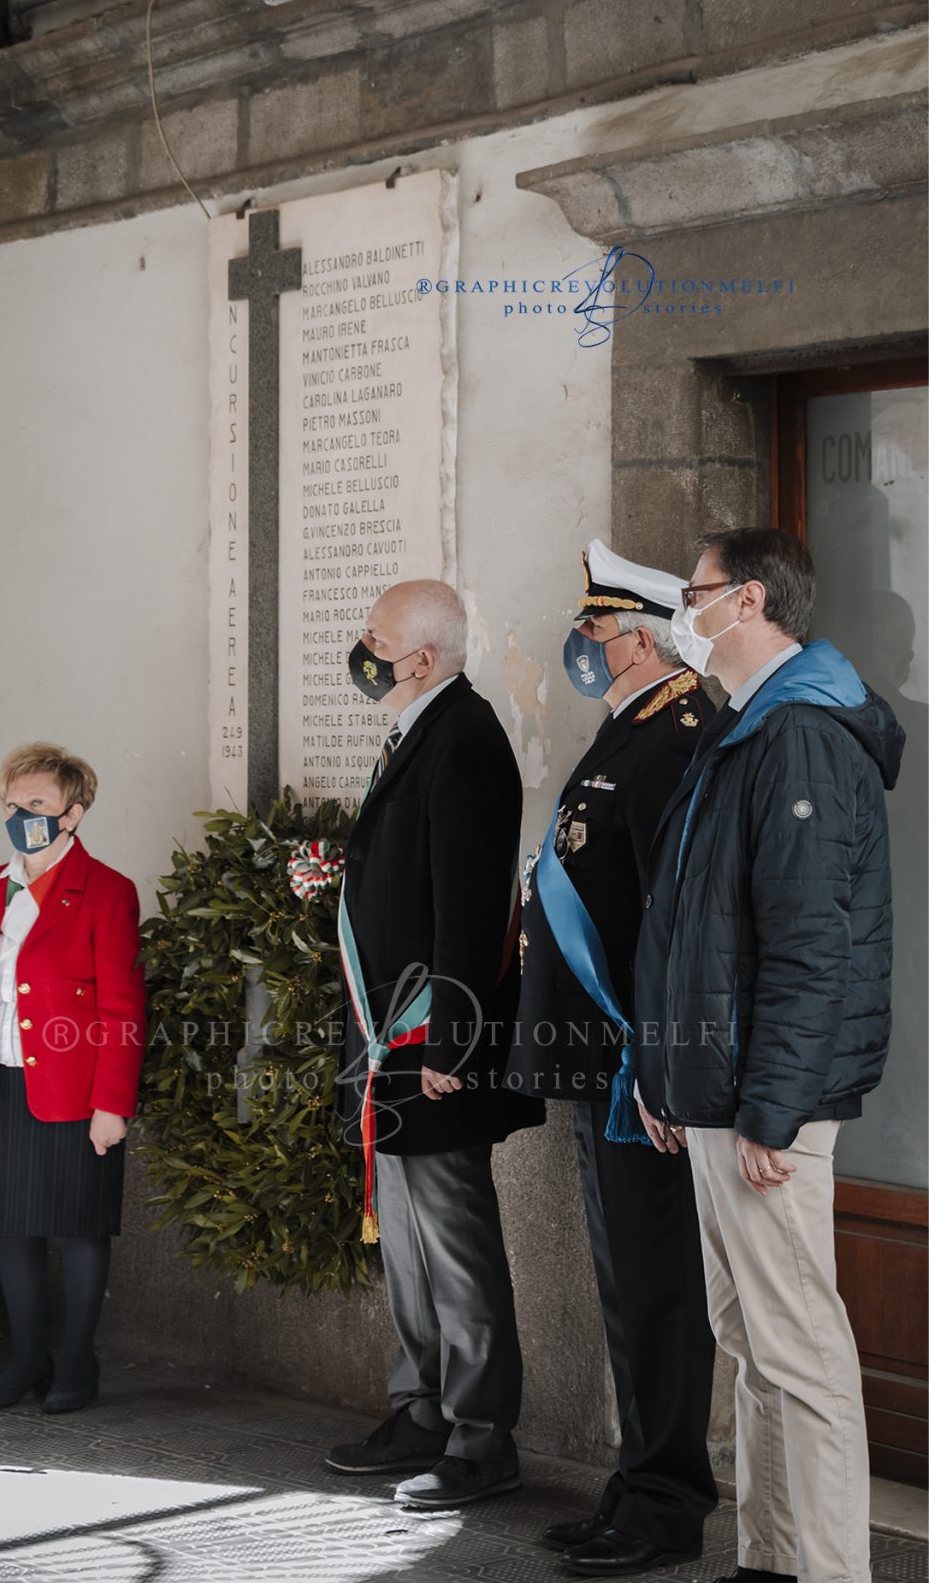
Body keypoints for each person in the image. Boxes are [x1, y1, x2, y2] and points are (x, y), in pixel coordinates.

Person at [633, 528, 905, 1583]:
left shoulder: (797, 733)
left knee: (800, 1356)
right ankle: (769, 1557)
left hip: (764, 1100)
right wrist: (666, 1075)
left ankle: (829, 1571)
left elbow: (809, 943)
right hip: (720, 1087)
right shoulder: (749, 723)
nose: (678, 613)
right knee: (749, 1341)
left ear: (745, 600)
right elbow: (700, 928)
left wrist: (771, 1107)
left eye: (691, 592)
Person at [507, 539, 718, 1577]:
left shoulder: (676, 739)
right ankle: (636, 1484)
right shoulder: (628, 730)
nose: (579, 644)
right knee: (626, 1286)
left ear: (638, 638)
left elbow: (677, 927)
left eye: (592, 628)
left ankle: (669, 1503)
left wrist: (666, 1067)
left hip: (644, 1069)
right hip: (605, 1061)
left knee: (661, 1289)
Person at [324, 579, 544, 1509]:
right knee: (409, 1245)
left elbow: (470, 906)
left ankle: (483, 1435)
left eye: (377, 637)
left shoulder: (466, 739)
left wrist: (454, 1043)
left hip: (432, 1046)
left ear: (419, 657)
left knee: (453, 1244)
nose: (363, 647)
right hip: (395, 1045)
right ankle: (422, 1410)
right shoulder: (421, 730)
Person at [0, 742, 146, 1414]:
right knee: (11, 1227)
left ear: (73, 814)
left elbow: (122, 1008)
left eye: (38, 804)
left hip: (77, 1092)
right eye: (12, 804)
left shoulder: (108, 891)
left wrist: (112, 1104)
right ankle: (27, 1360)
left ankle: (78, 1363)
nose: (21, 814)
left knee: (80, 1227)